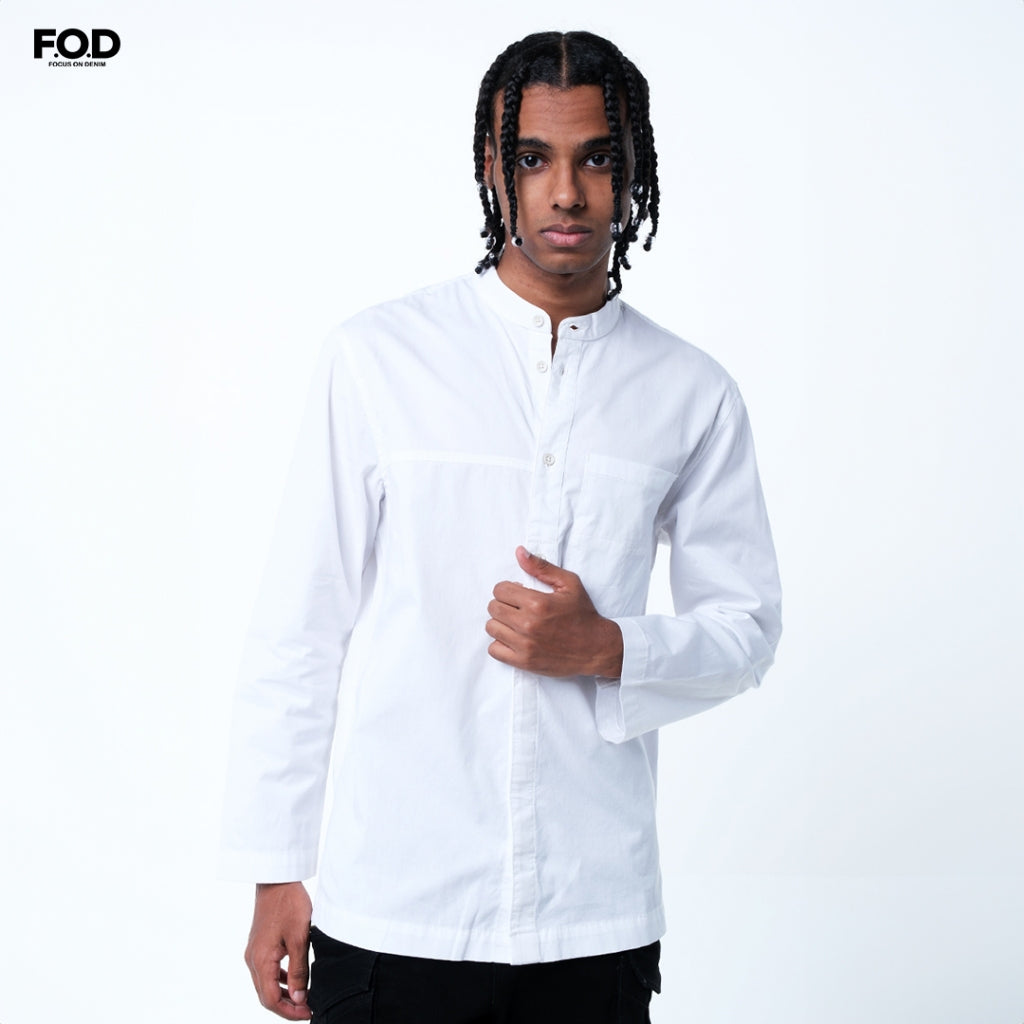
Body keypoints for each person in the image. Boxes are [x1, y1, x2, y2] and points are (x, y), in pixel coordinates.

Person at [220, 29, 782, 1024]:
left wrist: (611, 647)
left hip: (592, 920)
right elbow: (300, 629)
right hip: (394, 910)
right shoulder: (378, 359)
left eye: (597, 157)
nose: (566, 192)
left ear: (634, 168)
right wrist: (275, 868)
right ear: (492, 167)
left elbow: (746, 630)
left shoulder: (691, 392)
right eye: (532, 157)